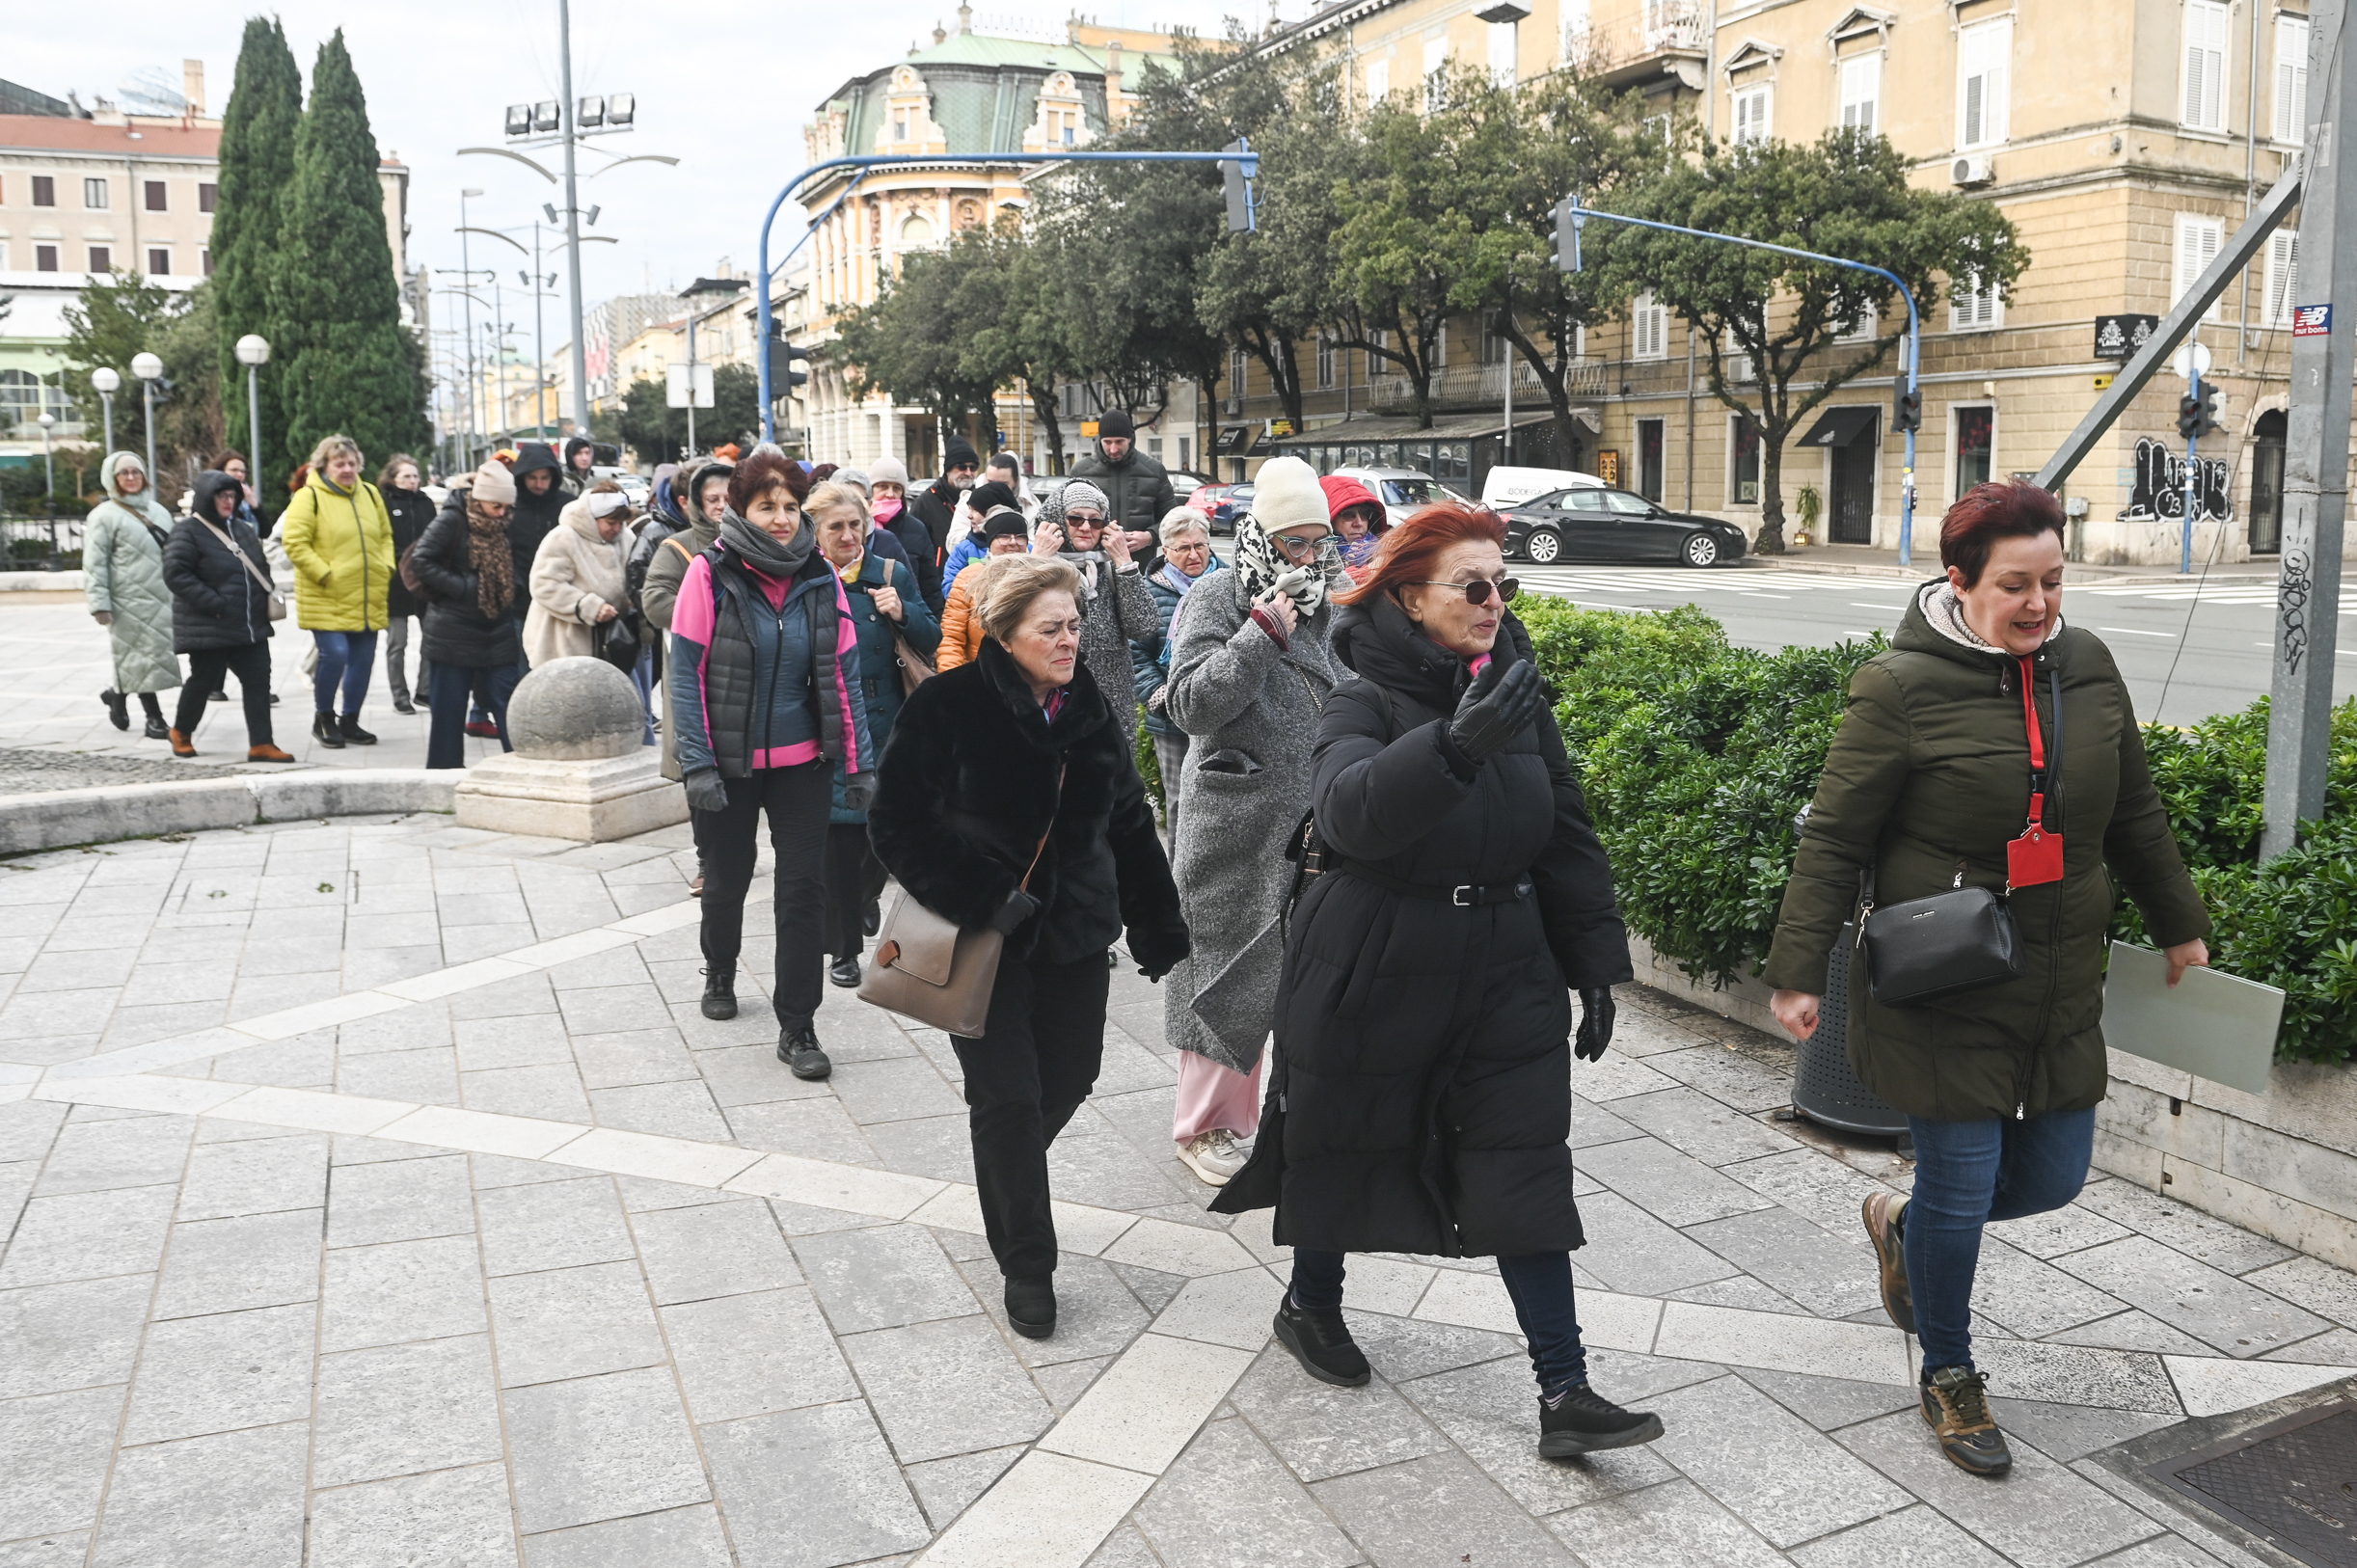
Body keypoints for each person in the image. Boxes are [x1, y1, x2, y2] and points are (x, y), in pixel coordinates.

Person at [1762, 479, 2212, 1478]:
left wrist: (2180, 927)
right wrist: (1797, 970)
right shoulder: (1896, 687)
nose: (2038, 604)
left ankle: (1899, 1225)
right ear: (1957, 582)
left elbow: (2132, 808)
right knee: (1963, 1191)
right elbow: (1835, 837)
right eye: (2014, 584)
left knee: (2050, 1178)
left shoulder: (2085, 666)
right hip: (1944, 974)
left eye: (2053, 581)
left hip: (2058, 977)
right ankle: (1951, 1375)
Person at [1210, 502, 1658, 1461]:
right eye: (1473, 585)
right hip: (1375, 956)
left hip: (1505, 959)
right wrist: (1451, 747)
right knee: (1343, 1136)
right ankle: (1309, 1303)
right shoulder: (1358, 698)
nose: (1495, 601)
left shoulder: (1512, 690)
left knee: (1521, 1156)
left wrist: (1591, 966)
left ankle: (1563, 1389)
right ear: (1411, 598)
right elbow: (1346, 815)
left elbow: (1566, 835)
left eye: (1505, 585)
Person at [869, 554, 1189, 1338]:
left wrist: (1156, 921)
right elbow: (896, 822)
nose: (1070, 640)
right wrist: (983, 896)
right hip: (985, 942)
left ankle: (1003, 1163)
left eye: (1075, 625)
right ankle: (1027, 1263)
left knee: (1072, 1075)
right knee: (1006, 1098)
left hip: (1077, 935)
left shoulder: (1090, 711)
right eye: (1051, 628)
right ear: (1005, 632)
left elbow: (1129, 824)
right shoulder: (949, 705)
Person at [1159, 458, 1336, 1186]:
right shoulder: (1215, 596)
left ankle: (1268, 1118)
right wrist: (1259, 633)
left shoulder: (1328, 602)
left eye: (1316, 541)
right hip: (1234, 819)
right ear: (1260, 534)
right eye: (1293, 542)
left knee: (1293, 975)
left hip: (1312, 820)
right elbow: (1189, 705)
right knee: (1224, 969)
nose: (1308, 557)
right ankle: (1203, 1129)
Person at [669, 451, 872, 1081]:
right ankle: (720, 966)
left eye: (790, 506)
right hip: (726, 766)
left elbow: (846, 676)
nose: (782, 518)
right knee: (727, 879)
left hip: (802, 764)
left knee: (802, 892)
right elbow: (685, 675)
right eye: (768, 506)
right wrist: (697, 764)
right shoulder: (708, 574)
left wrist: (860, 764)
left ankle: (798, 1025)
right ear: (741, 510)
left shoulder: (821, 577)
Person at [806, 480, 940, 987]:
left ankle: (862, 900)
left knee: (880, 832)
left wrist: (901, 611)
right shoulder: (807, 577)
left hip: (888, 716)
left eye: (855, 524)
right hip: (830, 718)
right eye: (835, 526)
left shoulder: (890, 572)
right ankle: (841, 949)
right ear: (815, 531)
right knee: (838, 837)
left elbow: (933, 635)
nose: (848, 534)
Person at [643, 455, 738, 897]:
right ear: (697, 503)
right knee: (699, 767)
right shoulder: (677, 548)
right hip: (697, 677)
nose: (721, 505)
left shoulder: (761, 543)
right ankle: (708, 862)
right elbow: (654, 598)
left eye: (728, 497)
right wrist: (709, 615)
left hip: (748, 680)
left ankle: (737, 856)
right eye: (711, 498)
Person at [160, 470, 291, 762]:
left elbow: (260, 566)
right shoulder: (187, 531)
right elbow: (175, 573)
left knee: (259, 681)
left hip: (250, 625)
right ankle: (181, 731)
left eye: (232, 495)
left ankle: (262, 743)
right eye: (222, 496)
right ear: (207, 498)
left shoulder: (243, 529)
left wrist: (263, 597)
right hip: (211, 624)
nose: (228, 501)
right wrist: (215, 603)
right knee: (204, 680)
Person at [280, 434, 394, 749]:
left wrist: (386, 566)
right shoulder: (308, 497)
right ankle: (324, 717)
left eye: (351, 463)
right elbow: (295, 542)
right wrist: (325, 574)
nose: (347, 469)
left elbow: (385, 536)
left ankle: (351, 720)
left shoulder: (370, 494)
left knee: (363, 659)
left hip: (366, 593)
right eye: (339, 463)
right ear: (324, 465)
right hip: (326, 594)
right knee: (336, 654)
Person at [413, 461, 527, 769]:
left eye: (506, 506)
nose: (502, 513)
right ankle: (444, 775)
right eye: (496, 505)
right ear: (480, 499)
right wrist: (464, 588)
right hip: (452, 631)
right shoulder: (453, 519)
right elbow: (421, 561)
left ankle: (522, 771)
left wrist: (511, 586)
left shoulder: (505, 522)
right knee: (448, 712)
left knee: (510, 706)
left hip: (497, 629)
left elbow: (515, 561)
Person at [1034, 479, 1156, 747]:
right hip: (1055, 702)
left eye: (1096, 520)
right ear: (1057, 521)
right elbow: (1014, 620)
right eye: (1075, 518)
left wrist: (1124, 562)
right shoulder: (1037, 563)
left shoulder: (1110, 566)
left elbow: (1144, 627)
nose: (1086, 527)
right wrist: (1038, 561)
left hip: (1112, 708)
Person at [1132, 507, 1221, 837]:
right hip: (1170, 717)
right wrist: (1165, 699)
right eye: (1183, 548)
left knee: (1221, 803)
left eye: (1199, 545)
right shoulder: (1149, 591)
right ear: (1166, 551)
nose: (1193, 554)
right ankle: (1177, 883)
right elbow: (1137, 655)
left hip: (1220, 712)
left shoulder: (1228, 582)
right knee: (1179, 803)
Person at [83, 451, 181, 740]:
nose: (130, 477)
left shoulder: (159, 512)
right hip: (127, 601)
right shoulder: (103, 516)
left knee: (143, 656)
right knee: (141, 656)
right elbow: (94, 564)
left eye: (135, 472)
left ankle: (116, 695)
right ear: (112, 479)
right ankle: (155, 718)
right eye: (123, 473)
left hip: (162, 598)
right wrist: (99, 604)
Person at [526, 481, 632, 665]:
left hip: (611, 643)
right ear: (593, 518)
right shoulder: (564, 537)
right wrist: (589, 607)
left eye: (621, 523)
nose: (617, 529)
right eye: (611, 522)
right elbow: (544, 584)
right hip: (564, 644)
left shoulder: (627, 539)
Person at [936, 517, 1038, 672]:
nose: (1013, 542)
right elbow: (952, 637)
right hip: (979, 675)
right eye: (1004, 536)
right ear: (990, 541)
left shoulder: (1039, 576)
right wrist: (951, 680)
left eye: (1020, 537)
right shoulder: (969, 577)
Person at [1070, 410, 1173, 560]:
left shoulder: (1154, 470)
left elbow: (1172, 519)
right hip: (1093, 563)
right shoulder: (1080, 471)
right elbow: (1068, 519)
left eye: (1119, 442)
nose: (1113, 449)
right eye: (1107, 442)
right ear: (1100, 440)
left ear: (1130, 439)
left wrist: (1149, 537)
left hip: (1139, 563)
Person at [380, 454, 436, 714]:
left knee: (431, 639)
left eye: (415, 476)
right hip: (395, 581)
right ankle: (399, 695)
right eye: (406, 476)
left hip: (425, 579)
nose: (413, 481)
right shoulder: (384, 502)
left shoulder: (426, 503)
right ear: (393, 479)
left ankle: (425, 690)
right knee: (397, 642)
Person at [905, 440, 977, 613]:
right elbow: (914, 548)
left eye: (973, 467)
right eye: (961, 467)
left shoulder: (980, 499)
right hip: (938, 587)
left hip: (974, 585)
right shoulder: (926, 501)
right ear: (948, 469)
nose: (968, 472)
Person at [937, 479, 1024, 595]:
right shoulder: (964, 550)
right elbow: (951, 588)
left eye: (975, 510)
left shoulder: (1026, 548)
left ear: (993, 513)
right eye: (969, 509)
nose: (969, 515)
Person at [1320, 473, 1389, 581]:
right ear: (1329, 520)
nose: (1359, 522)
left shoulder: (1384, 552)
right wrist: (1369, 571)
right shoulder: (1316, 558)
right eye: (1348, 515)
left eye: (1364, 514)